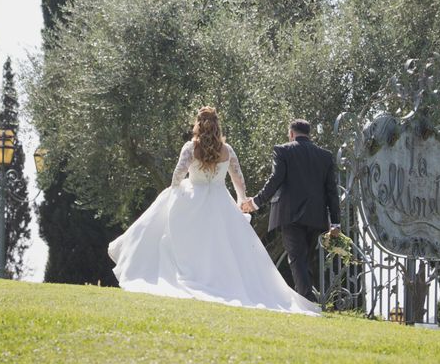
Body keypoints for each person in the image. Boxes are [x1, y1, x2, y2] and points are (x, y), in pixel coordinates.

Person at [108, 107, 319, 315]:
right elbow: (238, 180)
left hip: (191, 199)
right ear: (218, 125)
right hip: (220, 201)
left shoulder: (190, 148)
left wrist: (176, 192)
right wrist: (241, 202)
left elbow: (177, 176)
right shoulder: (227, 151)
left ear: (197, 124)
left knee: (183, 241)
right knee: (219, 246)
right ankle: (215, 281)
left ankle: (187, 277)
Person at [242, 119, 341, 302]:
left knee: (297, 259)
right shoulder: (325, 156)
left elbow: (276, 179)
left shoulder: (283, 150)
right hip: (315, 215)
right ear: (309, 134)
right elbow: (331, 192)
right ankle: (302, 299)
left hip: (289, 214)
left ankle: (308, 301)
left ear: (291, 133)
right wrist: (335, 222)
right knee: (305, 260)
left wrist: (256, 202)